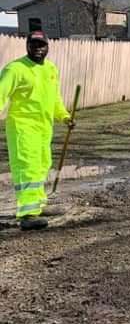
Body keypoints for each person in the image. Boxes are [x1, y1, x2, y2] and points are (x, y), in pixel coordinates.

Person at [0, 31, 74, 230]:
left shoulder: (50, 69)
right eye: (34, 45)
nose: (38, 49)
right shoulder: (15, 69)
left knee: (42, 164)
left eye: (42, 45)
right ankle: (28, 214)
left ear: (48, 47)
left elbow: (54, 98)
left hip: (43, 126)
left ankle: (37, 204)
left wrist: (65, 116)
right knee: (27, 167)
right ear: (27, 46)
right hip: (22, 126)